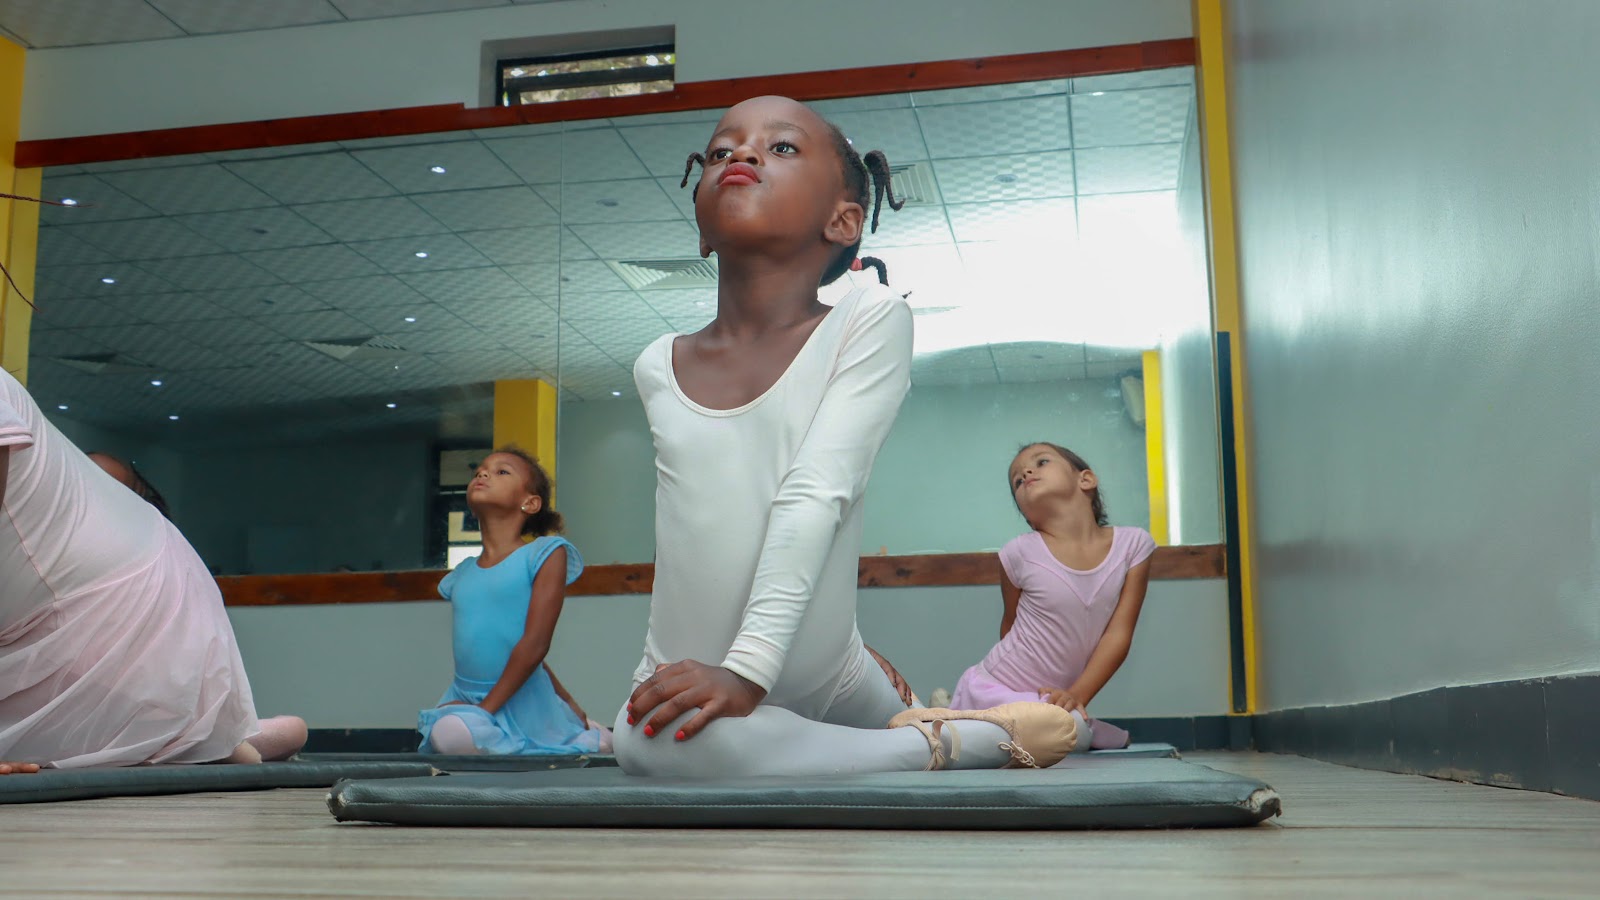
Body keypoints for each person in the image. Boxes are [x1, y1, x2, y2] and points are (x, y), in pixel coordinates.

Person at [614, 96, 1079, 778]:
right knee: (642, 741)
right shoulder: (658, 363)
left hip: (811, 663)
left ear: (844, 219)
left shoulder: (870, 315)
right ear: (702, 229)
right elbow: (683, 539)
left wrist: (746, 672)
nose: (740, 155)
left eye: (781, 148)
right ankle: (962, 736)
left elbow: (816, 492)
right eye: (721, 151)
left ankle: (951, 729)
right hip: (709, 670)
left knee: (669, 749)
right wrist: (655, 681)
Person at [0, 369, 305, 772]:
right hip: (79, 603)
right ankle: (233, 738)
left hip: (118, 601)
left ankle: (230, 738)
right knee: (197, 740)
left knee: (185, 739)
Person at [950, 443, 1156, 750]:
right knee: (1056, 731)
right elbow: (1010, 627)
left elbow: (1118, 634)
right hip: (996, 685)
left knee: (1056, 728)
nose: (1027, 473)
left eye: (1041, 462)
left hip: (1051, 699)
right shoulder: (1018, 553)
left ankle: (1060, 722)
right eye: (1018, 480)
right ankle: (965, 710)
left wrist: (1078, 695)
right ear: (1027, 515)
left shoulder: (1133, 546)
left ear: (1085, 480)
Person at [417, 448, 609, 756]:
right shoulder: (462, 575)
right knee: (446, 733)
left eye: (501, 471)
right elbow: (506, 641)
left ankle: (578, 734)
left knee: (451, 736)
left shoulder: (544, 553)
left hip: (520, 698)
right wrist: (474, 707)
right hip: (468, 697)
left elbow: (534, 645)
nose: (482, 474)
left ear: (530, 503)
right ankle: (567, 732)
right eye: (479, 470)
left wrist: (487, 710)